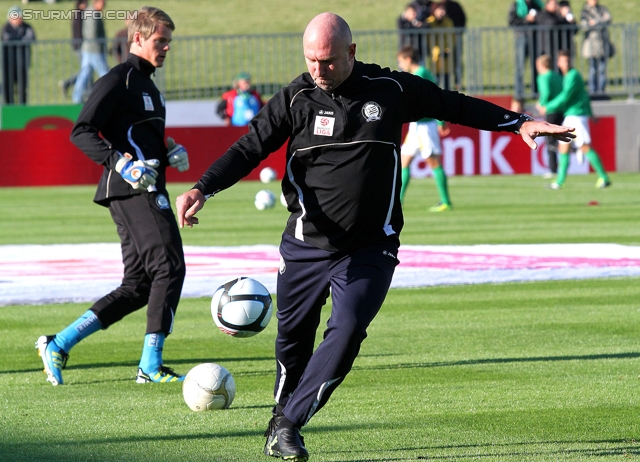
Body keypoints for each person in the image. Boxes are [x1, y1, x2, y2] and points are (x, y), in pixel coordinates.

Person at [175, 12, 574, 461]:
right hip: (305, 245)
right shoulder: (295, 98)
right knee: (293, 342)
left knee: (346, 332)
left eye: (326, 60)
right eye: (311, 60)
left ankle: (288, 424)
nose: (318, 70)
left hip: (371, 247)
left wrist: (516, 123)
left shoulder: (391, 90)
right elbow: (249, 147)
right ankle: (281, 416)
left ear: (352, 52)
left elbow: (453, 104)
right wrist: (202, 186)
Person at [36, 6, 189, 387]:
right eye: (160, 40)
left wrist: (168, 152)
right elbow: (82, 130)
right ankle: (150, 366)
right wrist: (121, 164)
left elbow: (139, 140)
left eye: (169, 41)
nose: (166, 47)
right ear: (137, 38)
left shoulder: (149, 85)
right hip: (133, 190)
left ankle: (59, 343)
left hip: (142, 187)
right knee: (169, 268)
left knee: (138, 285)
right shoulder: (118, 79)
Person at [539, 49, 610, 189]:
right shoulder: (568, 76)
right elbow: (584, 95)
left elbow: (566, 96)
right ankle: (559, 182)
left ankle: (604, 177)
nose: (565, 63)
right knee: (563, 147)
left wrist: (548, 106)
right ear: (559, 63)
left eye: (567, 60)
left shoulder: (573, 75)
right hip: (570, 116)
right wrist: (591, 113)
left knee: (584, 147)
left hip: (576, 116)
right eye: (563, 61)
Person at [397, 45, 451, 210]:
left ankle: (446, 201)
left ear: (408, 59)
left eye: (400, 62)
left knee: (434, 162)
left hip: (425, 126)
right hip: (416, 126)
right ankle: (397, 202)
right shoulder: (420, 73)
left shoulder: (420, 74)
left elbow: (433, 98)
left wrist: (440, 121)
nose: (400, 65)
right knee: (403, 161)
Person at [72, 0, 109, 104]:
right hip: (94, 50)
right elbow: (91, 32)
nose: (104, 4)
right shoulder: (93, 13)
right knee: (105, 75)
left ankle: (76, 97)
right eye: (103, 2)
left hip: (88, 49)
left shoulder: (90, 12)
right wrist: (99, 45)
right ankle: (111, 95)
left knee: (84, 74)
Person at [535, 54, 564, 177]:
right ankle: (574, 150)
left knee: (551, 142)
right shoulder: (558, 76)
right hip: (561, 111)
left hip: (551, 111)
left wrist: (542, 104)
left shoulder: (543, 77)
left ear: (541, 65)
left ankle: (553, 169)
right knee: (561, 138)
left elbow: (546, 91)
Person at [508, 0, 544, 99]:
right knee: (520, 66)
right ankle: (519, 93)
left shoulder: (537, 4)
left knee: (536, 66)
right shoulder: (516, 5)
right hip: (522, 38)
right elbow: (512, 21)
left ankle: (536, 92)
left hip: (535, 38)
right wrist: (526, 19)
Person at [1, 5, 35, 104]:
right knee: (8, 87)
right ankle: (9, 107)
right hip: (8, 63)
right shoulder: (6, 28)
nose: (20, 18)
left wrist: (19, 39)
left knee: (22, 88)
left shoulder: (27, 27)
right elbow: (7, 39)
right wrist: (21, 39)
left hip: (22, 63)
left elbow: (31, 38)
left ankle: (22, 108)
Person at [580, 0, 613, 95]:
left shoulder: (602, 9)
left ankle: (601, 91)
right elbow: (584, 25)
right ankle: (592, 91)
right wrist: (599, 22)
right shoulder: (585, 11)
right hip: (591, 46)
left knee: (602, 69)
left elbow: (608, 18)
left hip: (602, 45)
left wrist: (596, 22)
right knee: (592, 69)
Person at [59, 0, 88, 97]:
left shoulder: (78, 14)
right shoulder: (80, 15)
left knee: (86, 69)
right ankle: (72, 87)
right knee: (86, 69)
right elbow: (80, 32)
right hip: (80, 46)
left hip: (78, 45)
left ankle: (70, 85)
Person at [535, 0, 577, 64]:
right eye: (554, 4)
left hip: (558, 49)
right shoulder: (542, 14)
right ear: (547, 5)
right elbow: (552, 24)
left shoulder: (557, 16)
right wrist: (562, 16)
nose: (557, 6)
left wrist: (572, 21)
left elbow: (573, 30)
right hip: (546, 49)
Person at [426, 1, 455, 90]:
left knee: (447, 80)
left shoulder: (448, 22)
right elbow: (428, 38)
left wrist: (448, 49)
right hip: (435, 55)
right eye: (440, 10)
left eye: (443, 10)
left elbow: (453, 37)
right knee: (435, 80)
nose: (443, 12)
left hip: (447, 54)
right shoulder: (430, 22)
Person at [439, 0, 467, 88]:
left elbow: (463, 19)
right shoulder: (438, 6)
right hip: (442, 40)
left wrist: (459, 32)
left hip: (456, 37)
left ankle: (457, 82)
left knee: (457, 60)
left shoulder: (455, 5)